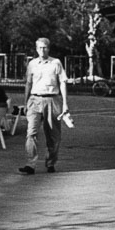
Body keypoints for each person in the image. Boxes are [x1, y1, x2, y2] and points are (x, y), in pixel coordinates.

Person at [19, 37, 70, 174]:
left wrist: (65, 104)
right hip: (35, 100)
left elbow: (63, 82)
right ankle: (30, 164)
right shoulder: (32, 64)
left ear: (49, 48)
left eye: (45, 47)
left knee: (53, 135)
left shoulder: (56, 63)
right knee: (31, 132)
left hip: (52, 100)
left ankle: (51, 162)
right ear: (36, 49)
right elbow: (28, 83)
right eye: (40, 48)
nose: (42, 50)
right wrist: (26, 102)